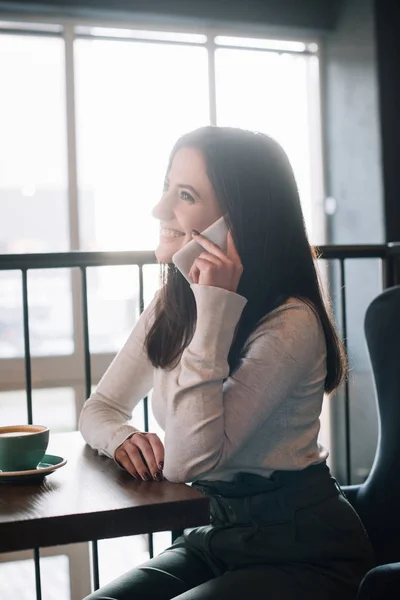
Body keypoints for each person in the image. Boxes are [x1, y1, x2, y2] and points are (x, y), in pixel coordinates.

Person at [80, 126, 374, 600]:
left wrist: (214, 303)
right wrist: (122, 438)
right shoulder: (171, 303)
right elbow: (99, 408)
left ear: (240, 219)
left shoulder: (290, 323)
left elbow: (187, 460)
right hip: (216, 534)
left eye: (186, 195)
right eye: (166, 188)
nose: (159, 210)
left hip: (305, 551)